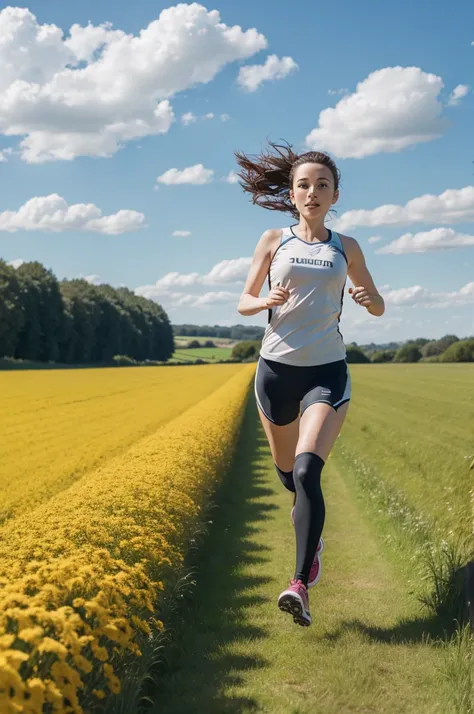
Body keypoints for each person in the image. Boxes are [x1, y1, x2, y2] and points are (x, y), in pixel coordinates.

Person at [235, 141, 385, 627]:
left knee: (305, 473)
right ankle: (311, 535)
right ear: (292, 194)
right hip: (275, 371)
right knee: (287, 478)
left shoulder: (347, 247)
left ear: (335, 193)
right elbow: (243, 300)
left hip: (326, 371)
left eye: (323, 184)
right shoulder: (273, 239)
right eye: (304, 184)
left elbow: (378, 303)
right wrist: (263, 302)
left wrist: (366, 297)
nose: (313, 192)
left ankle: (299, 583)